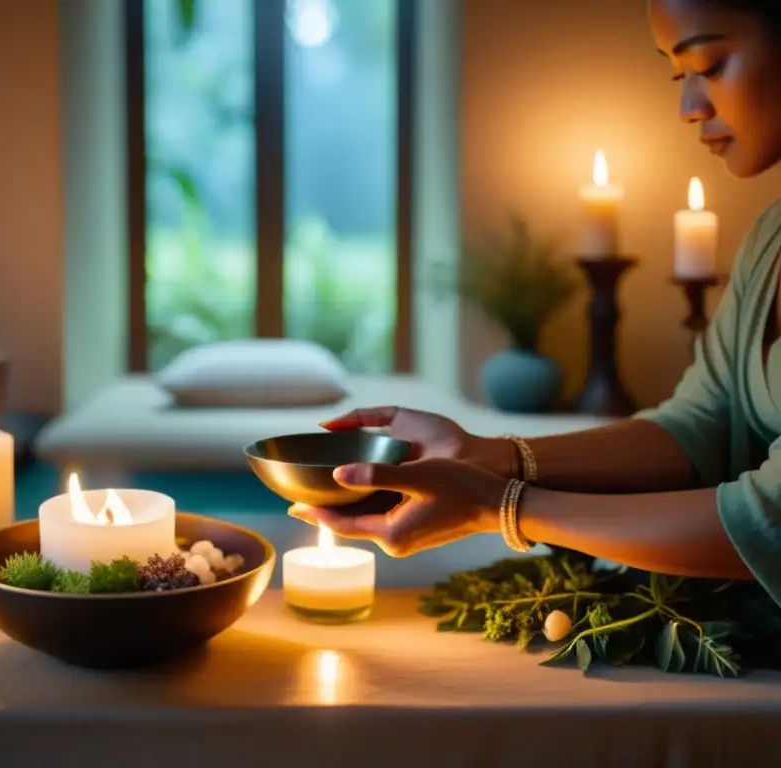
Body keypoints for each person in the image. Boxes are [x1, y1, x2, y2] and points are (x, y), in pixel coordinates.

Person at [288, 0, 781, 608]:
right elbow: (697, 429)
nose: (689, 107)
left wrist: (500, 507)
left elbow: (768, 520)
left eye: (710, 63)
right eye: (679, 76)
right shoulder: (770, 239)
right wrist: (488, 456)